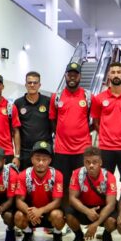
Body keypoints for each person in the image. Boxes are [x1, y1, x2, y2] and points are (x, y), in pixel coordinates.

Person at [50, 62, 93, 207]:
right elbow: (53, 120)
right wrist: (62, 133)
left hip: (82, 150)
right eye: (70, 74)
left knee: (82, 183)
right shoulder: (57, 96)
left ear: (80, 76)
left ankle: (80, 213)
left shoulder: (88, 96)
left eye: (75, 74)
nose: (72, 77)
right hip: (62, 150)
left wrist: (84, 131)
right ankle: (63, 213)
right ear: (65, 76)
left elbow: (94, 120)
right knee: (62, 184)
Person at [14, 141, 65, 241]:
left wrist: (40, 211)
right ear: (32, 159)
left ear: (50, 160)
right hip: (31, 213)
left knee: (58, 215)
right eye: (37, 159)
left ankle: (57, 235)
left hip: (49, 213)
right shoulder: (23, 175)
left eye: (44, 159)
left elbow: (57, 201)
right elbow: (19, 201)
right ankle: (28, 234)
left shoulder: (57, 175)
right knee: (18, 216)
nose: (41, 162)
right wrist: (31, 212)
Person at [67, 146, 118, 241]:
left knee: (112, 221)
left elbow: (111, 204)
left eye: (94, 162)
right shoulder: (77, 174)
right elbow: (72, 198)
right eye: (87, 162)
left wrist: (95, 224)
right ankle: (79, 236)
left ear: (100, 162)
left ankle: (106, 234)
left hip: (103, 208)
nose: (91, 165)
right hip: (84, 208)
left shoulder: (109, 177)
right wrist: (87, 211)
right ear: (84, 163)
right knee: (68, 214)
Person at [14, 71, 52, 170]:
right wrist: (17, 155)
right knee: (24, 178)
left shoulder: (48, 101)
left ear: (39, 85)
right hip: (25, 151)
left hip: (44, 150)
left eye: (35, 82)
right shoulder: (18, 103)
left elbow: (53, 124)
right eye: (29, 82)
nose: (32, 85)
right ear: (25, 84)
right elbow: (16, 130)